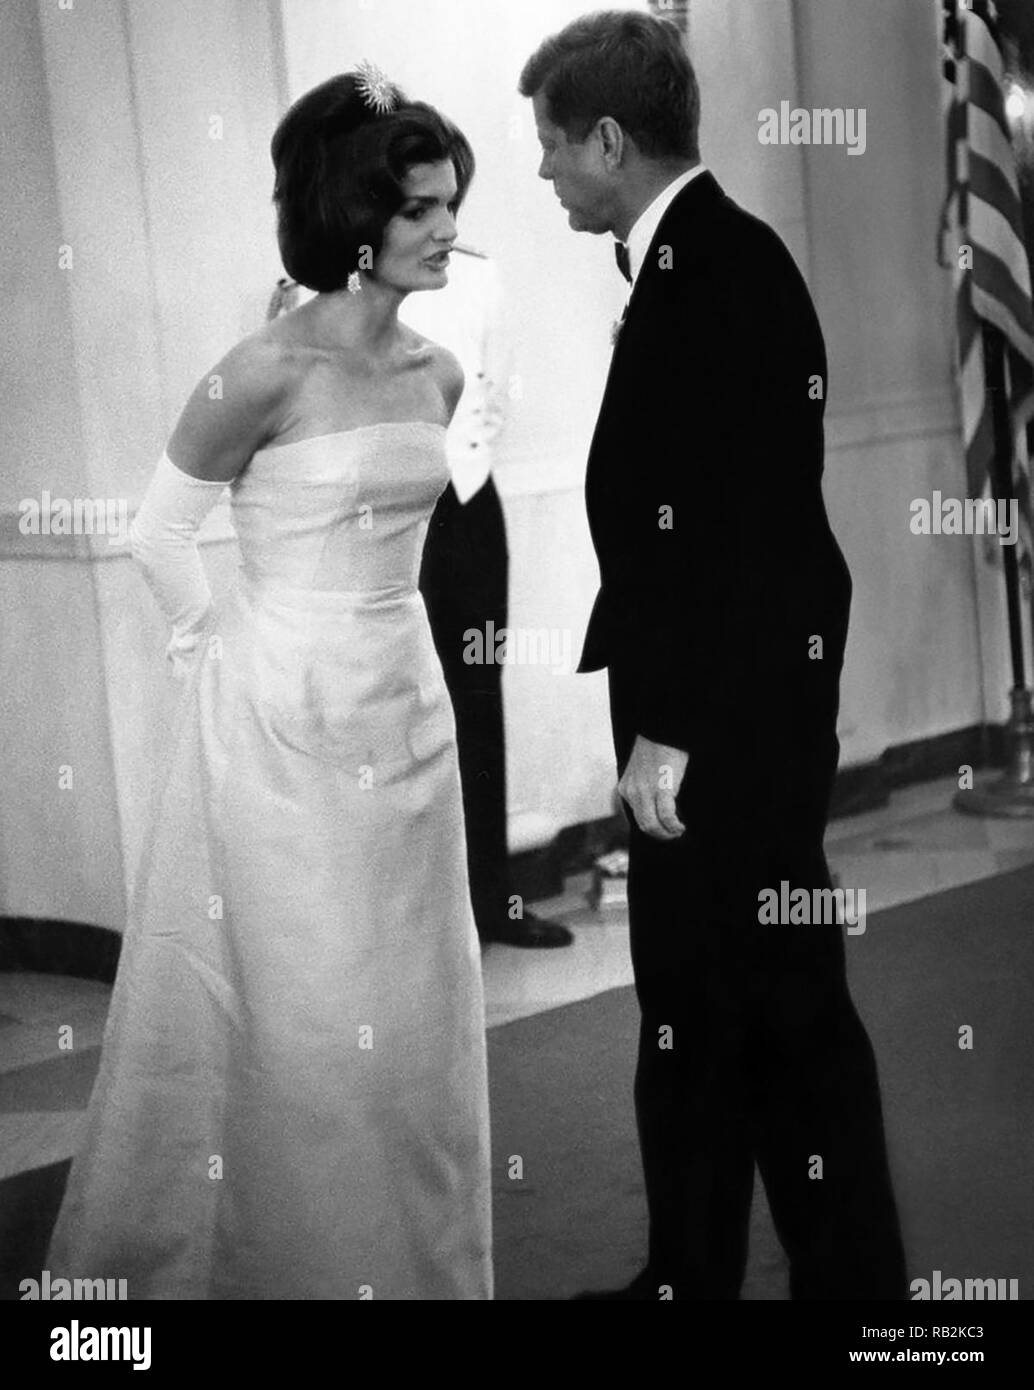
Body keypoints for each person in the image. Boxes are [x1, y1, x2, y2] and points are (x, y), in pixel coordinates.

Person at [45, 65, 492, 1300]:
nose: (448, 227)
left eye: (450, 201)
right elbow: (156, 533)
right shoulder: (258, 372)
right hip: (278, 722)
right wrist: (223, 657)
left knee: (411, 1015)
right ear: (356, 220)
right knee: (302, 1017)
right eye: (419, 209)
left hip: (406, 709)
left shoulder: (438, 375)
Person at [519, 12, 908, 1299]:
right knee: (698, 1009)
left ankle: (851, 1293)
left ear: (611, 140)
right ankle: (686, 1272)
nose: (543, 172)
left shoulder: (718, 269)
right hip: (726, 710)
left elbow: (746, 537)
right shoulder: (694, 258)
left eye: (553, 146)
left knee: (778, 1010)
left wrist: (672, 728)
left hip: (726, 728)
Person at [271, 251, 574, 949]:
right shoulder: (321, 283)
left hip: (464, 505)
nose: (435, 219)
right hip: (373, 512)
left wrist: (457, 468)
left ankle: (492, 901)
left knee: (477, 697)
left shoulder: (476, 277)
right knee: (377, 698)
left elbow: (490, 393)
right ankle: (399, 921)